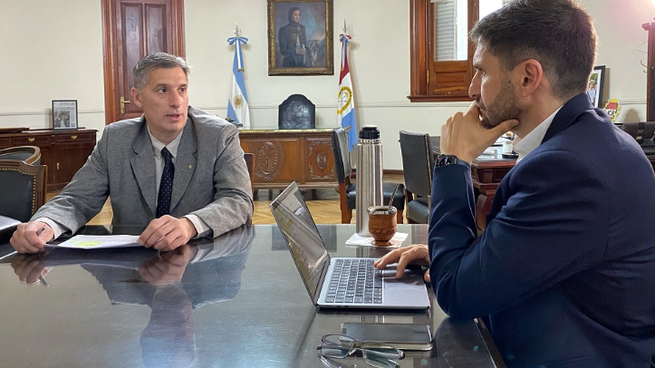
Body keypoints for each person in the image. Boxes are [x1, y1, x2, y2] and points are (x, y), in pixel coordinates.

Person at [375, 0, 655, 366]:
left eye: (481, 72)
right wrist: (451, 256)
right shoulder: (585, 141)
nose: (473, 89)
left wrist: (452, 162)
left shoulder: (569, 169)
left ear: (527, 77)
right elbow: (542, 251)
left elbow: (457, 293)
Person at [10, 52, 253, 254]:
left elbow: (238, 200)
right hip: (131, 268)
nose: (177, 101)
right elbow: (77, 198)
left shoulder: (218, 135)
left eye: (182, 89)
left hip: (203, 259)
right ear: (137, 97)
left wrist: (189, 225)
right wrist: (44, 224)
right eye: (162, 90)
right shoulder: (116, 138)